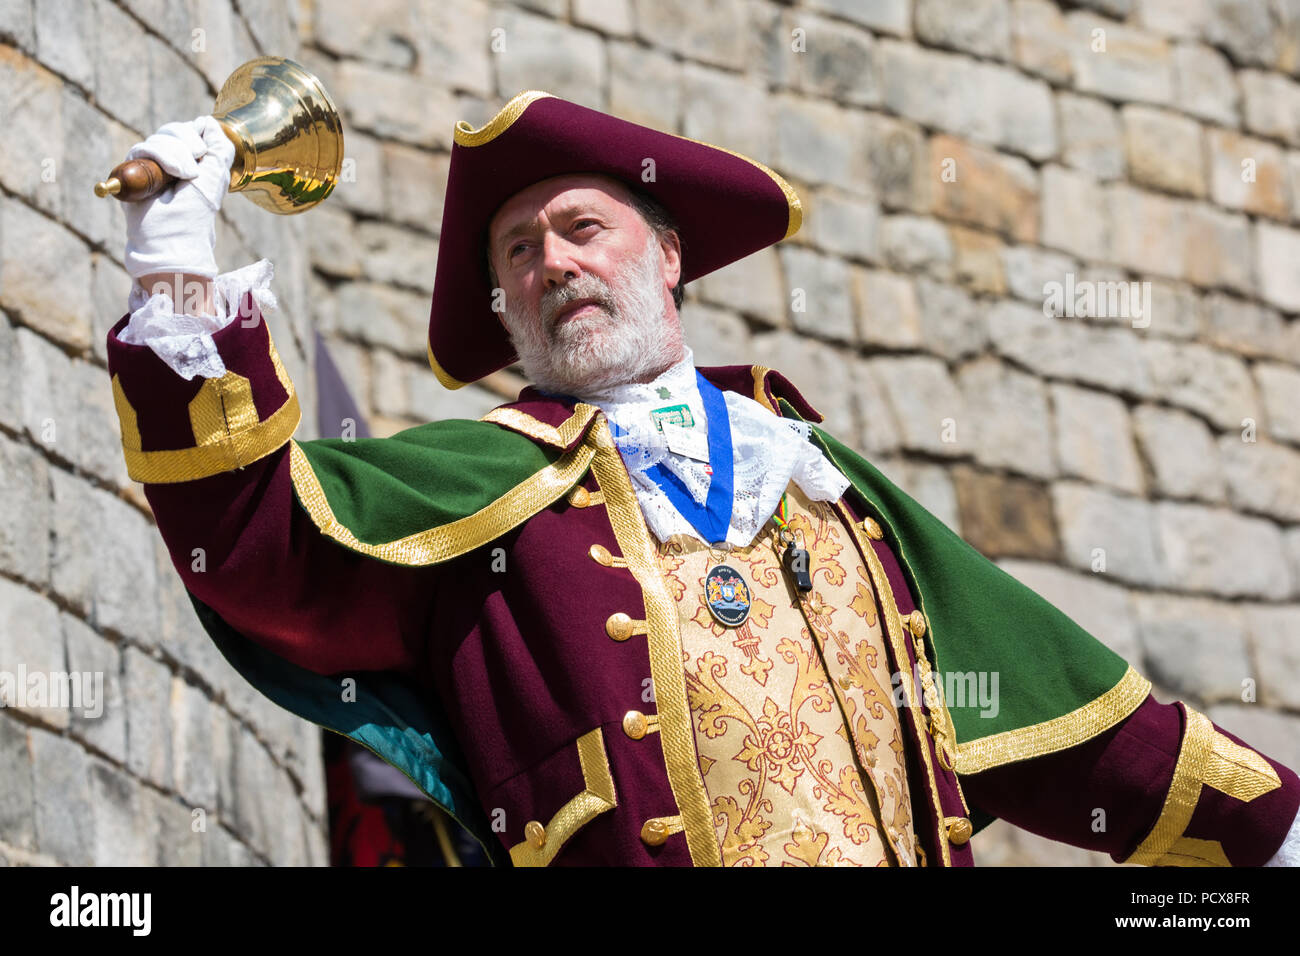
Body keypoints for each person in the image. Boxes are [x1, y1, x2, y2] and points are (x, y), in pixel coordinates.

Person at [106, 91, 1300, 867]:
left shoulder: (832, 489)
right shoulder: (471, 489)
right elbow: (254, 544)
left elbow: (1081, 727)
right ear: (502, 305)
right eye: (518, 253)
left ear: (668, 256)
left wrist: (1273, 831)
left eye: (583, 227)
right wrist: (177, 270)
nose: (553, 264)